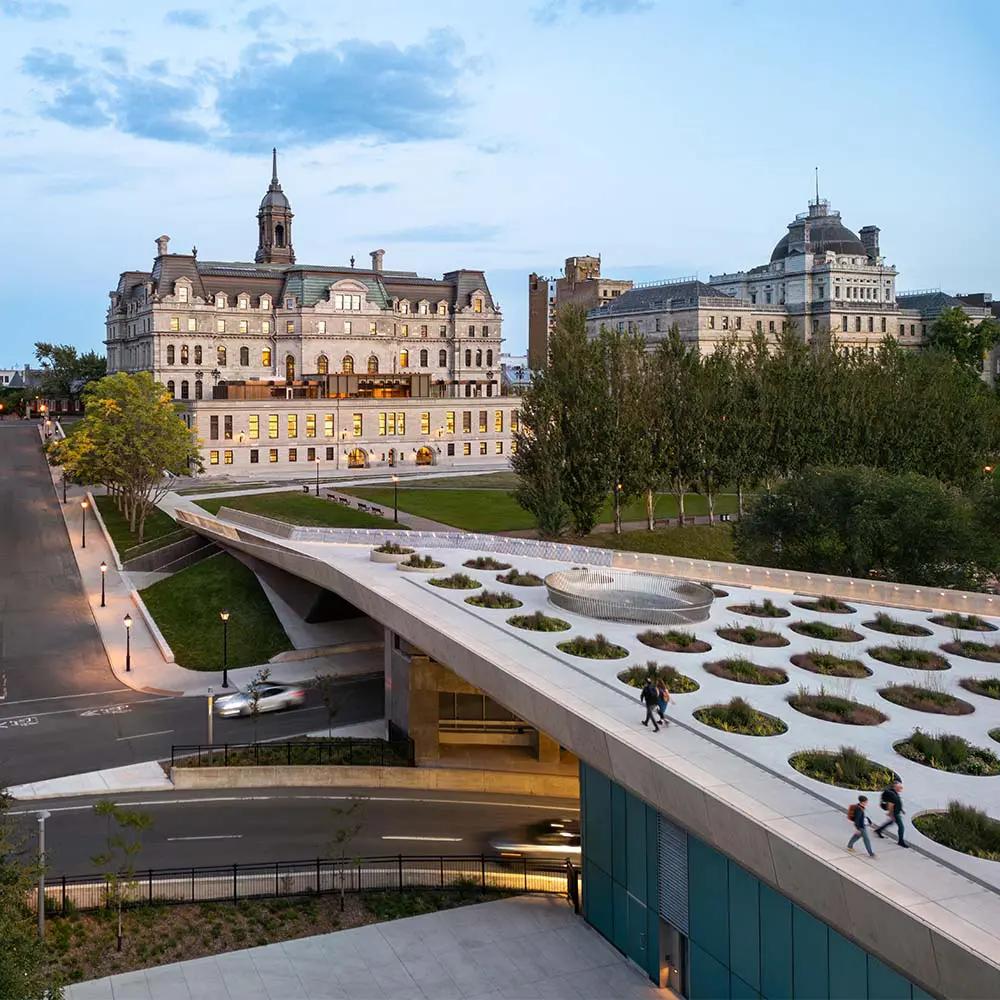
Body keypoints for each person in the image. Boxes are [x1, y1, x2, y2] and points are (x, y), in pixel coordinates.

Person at [874, 780, 908, 848]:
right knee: (901, 827)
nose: (901, 788)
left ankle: (878, 830)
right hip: (895, 813)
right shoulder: (892, 794)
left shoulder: (894, 792)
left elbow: (897, 802)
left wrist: (901, 809)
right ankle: (900, 841)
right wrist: (891, 814)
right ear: (895, 787)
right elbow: (890, 805)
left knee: (891, 822)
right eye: (900, 787)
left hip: (897, 811)